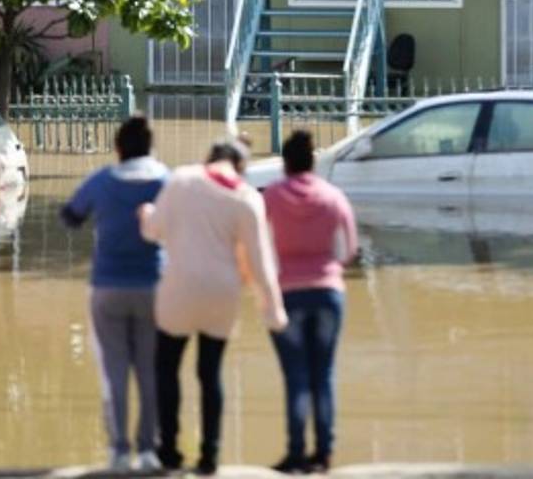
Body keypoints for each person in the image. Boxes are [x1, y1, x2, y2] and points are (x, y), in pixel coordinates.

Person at [139, 139, 287, 476]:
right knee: (210, 373)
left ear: (210, 158)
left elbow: (154, 232)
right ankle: (210, 455)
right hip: (223, 292)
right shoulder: (248, 197)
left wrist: (147, 214)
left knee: (167, 368)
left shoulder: (181, 179)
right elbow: (261, 261)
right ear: (241, 167)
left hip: (178, 289)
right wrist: (272, 306)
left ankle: (170, 452)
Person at [61, 115, 168, 473]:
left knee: (115, 372)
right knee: (150, 371)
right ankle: (149, 450)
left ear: (118, 148)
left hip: (107, 288)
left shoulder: (102, 180)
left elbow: (71, 216)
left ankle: (120, 451)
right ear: (151, 148)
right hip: (153, 287)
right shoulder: (166, 180)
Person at [263, 131, 358, 474]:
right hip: (328, 294)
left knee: (296, 377)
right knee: (324, 374)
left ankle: (296, 453)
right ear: (312, 163)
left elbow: (260, 247)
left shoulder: (272, 196)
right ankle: (325, 453)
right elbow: (347, 250)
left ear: (285, 163)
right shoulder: (333, 197)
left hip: (287, 294)